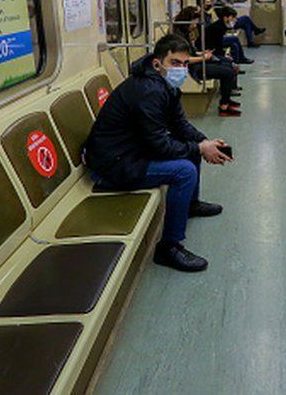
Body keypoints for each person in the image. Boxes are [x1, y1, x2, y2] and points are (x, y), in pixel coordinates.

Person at [83, 33, 234, 272]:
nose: (181, 69)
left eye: (185, 64)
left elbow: (180, 125)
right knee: (184, 171)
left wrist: (204, 142)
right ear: (157, 63)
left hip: (132, 151)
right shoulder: (148, 91)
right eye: (175, 62)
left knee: (191, 148)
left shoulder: (164, 85)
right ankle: (168, 248)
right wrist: (198, 147)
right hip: (113, 165)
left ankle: (190, 204)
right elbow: (159, 145)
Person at [172, 6, 242, 117]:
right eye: (194, 23)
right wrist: (203, 58)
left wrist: (202, 53)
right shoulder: (178, 37)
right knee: (228, 72)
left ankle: (226, 99)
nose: (195, 26)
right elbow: (184, 59)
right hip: (194, 68)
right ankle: (224, 107)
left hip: (197, 62)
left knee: (228, 65)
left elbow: (190, 52)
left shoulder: (184, 33)